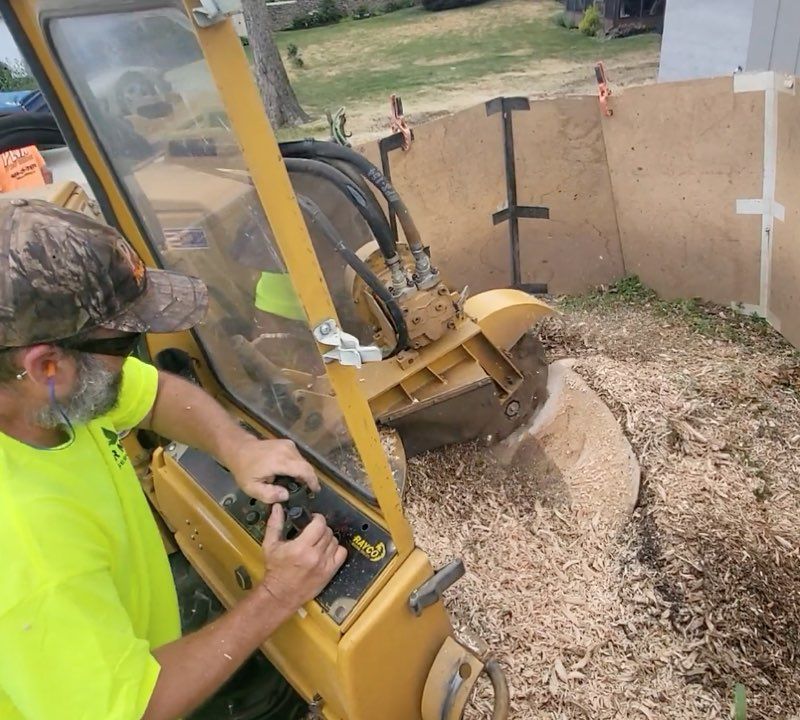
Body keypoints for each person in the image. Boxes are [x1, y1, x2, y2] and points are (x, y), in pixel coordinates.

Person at [0, 198, 347, 720]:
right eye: (126, 343)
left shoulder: (37, 397)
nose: (135, 357)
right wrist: (277, 595)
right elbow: (135, 707)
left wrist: (238, 447)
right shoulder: (29, 550)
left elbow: (154, 394)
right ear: (47, 365)